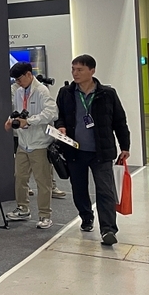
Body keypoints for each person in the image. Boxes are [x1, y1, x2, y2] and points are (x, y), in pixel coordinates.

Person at [55, 54, 130, 246]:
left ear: (92, 71)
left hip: (101, 152)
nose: (75, 73)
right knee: (79, 189)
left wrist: (125, 146)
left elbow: (119, 121)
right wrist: (61, 126)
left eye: (79, 69)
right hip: (75, 151)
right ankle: (86, 217)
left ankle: (108, 229)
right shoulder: (66, 93)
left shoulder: (107, 94)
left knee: (105, 190)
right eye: (73, 69)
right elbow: (59, 116)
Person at [4, 62, 58, 229]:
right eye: (15, 80)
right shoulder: (18, 92)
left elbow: (51, 113)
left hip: (39, 143)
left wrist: (29, 121)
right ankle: (22, 209)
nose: (18, 82)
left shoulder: (42, 91)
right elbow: (16, 111)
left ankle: (45, 215)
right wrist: (10, 121)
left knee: (43, 182)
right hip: (23, 143)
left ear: (29, 74)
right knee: (20, 177)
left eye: (19, 79)